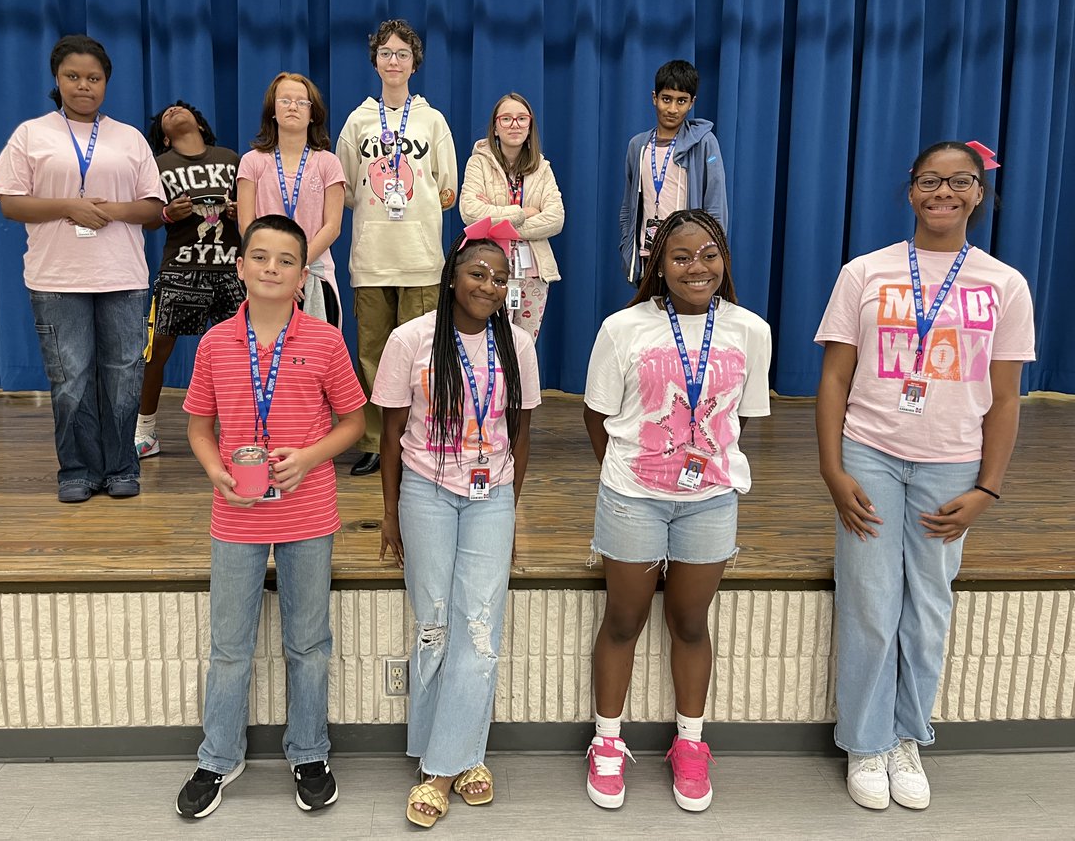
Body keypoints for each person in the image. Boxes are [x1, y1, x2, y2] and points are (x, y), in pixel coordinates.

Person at [815, 141, 1035, 811]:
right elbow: (834, 377)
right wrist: (832, 468)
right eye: (929, 181)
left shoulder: (1004, 284)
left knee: (929, 606)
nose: (944, 192)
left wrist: (987, 487)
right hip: (871, 453)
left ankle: (908, 734)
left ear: (978, 192)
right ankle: (865, 741)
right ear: (910, 191)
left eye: (959, 182)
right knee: (871, 602)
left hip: (951, 463)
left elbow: (1004, 399)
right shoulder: (865, 273)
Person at [176, 215, 366, 819]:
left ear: (302, 275)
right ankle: (217, 756)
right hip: (236, 516)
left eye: (285, 261)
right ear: (240, 266)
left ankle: (309, 751)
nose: (271, 269)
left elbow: (354, 423)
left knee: (308, 643)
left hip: (310, 513)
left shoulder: (326, 341)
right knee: (229, 646)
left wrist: (308, 458)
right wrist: (216, 474)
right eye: (259, 257)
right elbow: (198, 427)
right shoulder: (213, 344)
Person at [583, 209, 771, 812]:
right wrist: (633, 471)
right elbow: (597, 416)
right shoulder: (623, 327)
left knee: (690, 624)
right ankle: (606, 742)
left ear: (725, 261)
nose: (697, 267)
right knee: (624, 621)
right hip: (634, 497)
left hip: (709, 501)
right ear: (658, 264)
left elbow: (741, 420)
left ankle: (690, 742)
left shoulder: (751, 331)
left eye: (709, 255)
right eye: (682, 256)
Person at [371, 217, 541, 829]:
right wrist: (389, 513)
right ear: (450, 277)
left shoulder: (517, 345)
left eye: (500, 278)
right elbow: (390, 436)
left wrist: (511, 508)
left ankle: (442, 769)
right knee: (433, 625)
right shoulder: (409, 340)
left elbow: (521, 433)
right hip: (426, 491)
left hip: (491, 493)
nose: (489, 285)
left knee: (478, 627)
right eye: (477, 273)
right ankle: (455, 750)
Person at [0, 34, 164, 503]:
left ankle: (122, 466)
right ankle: (78, 470)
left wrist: (109, 212)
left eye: (94, 78)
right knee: (70, 380)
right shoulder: (32, 134)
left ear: (106, 83)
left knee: (124, 376)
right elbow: (10, 202)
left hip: (122, 276)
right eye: (73, 76)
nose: (84, 85)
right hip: (57, 277)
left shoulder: (129, 137)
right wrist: (70, 206)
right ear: (57, 80)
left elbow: (153, 207)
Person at [338, 18, 459, 476]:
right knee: (371, 353)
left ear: (415, 63)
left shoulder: (432, 120)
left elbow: (447, 188)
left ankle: (419, 438)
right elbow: (347, 188)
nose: (394, 60)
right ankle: (373, 440)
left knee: (421, 356)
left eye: (402, 54)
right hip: (371, 259)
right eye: (386, 53)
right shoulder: (357, 120)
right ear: (375, 61)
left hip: (421, 259)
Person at [134, 100, 244, 459]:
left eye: (180, 108)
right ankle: (146, 428)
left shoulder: (229, 157)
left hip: (231, 268)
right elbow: (147, 218)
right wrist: (167, 213)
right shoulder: (159, 164)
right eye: (166, 113)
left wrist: (239, 211)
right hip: (181, 267)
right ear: (164, 139)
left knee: (243, 352)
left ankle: (240, 429)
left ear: (199, 121)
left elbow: (254, 205)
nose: (173, 111)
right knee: (158, 348)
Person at [236, 72, 345, 327]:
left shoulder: (328, 163)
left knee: (315, 356)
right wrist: (280, 266)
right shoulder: (252, 161)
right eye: (284, 100)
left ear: (312, 113)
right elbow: (246, 225)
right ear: (272, 111)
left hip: (314, 274)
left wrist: (296, 267)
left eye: (301, 102)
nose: (293, 107)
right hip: (266, 273)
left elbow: (332, 226)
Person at [459, 92, 565, 339]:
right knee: (491, 343)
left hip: (534, 273)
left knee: (525, 345)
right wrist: (522, 213)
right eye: (506, 119)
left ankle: (520, 381)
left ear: (530, 127)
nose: (514, 124)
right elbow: (470, 213)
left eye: (521, 118)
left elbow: (556, 218)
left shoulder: (542, 168)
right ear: (495, 127)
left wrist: (496, 222)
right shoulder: (478, 164)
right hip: (490, 271)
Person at [618, 60, 728, 285]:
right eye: (666, 99)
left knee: (685, 319)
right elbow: (628, 207)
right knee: (652, 318)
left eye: (681, 101)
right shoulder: (637, 146)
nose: (672, 109)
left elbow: (715, 205)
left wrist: (709, 255)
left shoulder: (704, 143)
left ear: (691, 103)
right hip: (648, 255)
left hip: (689, 257)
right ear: (654, 98)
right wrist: (627, 248)